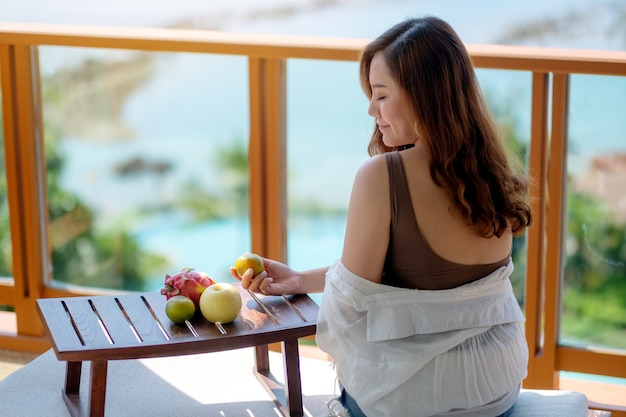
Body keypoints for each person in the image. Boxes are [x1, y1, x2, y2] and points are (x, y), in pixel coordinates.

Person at [231, 15, 532, 417]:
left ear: (425, 95)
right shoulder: (491, 175)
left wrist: (329, 293)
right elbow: (421, 285)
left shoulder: (382, 177)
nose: (371, 108)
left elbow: (348, 310)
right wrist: (301, 279)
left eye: (381, 94)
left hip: (416, 401)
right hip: (496, 389)